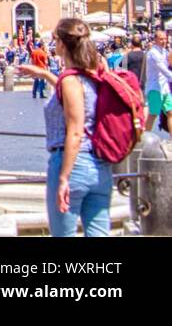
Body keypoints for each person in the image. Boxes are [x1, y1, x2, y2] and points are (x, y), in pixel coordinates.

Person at [19, 18, 117, 237]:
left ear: (63, 44)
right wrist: (44, 74)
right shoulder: (96, 73)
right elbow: (75, 95)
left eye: (54, 39)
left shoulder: (70, 81)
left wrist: (64, 177)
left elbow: (75, 131)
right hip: (100, 165)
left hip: (73, 163)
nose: (53, 44)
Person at [143, 29, 172, 132]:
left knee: (170, 112)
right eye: (161, 39)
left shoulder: (164, 51)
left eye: (165, 39)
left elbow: (169, 64)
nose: (164, 41)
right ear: (155, 39)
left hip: (164, 88)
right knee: (153, 114)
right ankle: (145, 138)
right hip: (155, 88)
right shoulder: (153, 53)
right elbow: (162, 69)